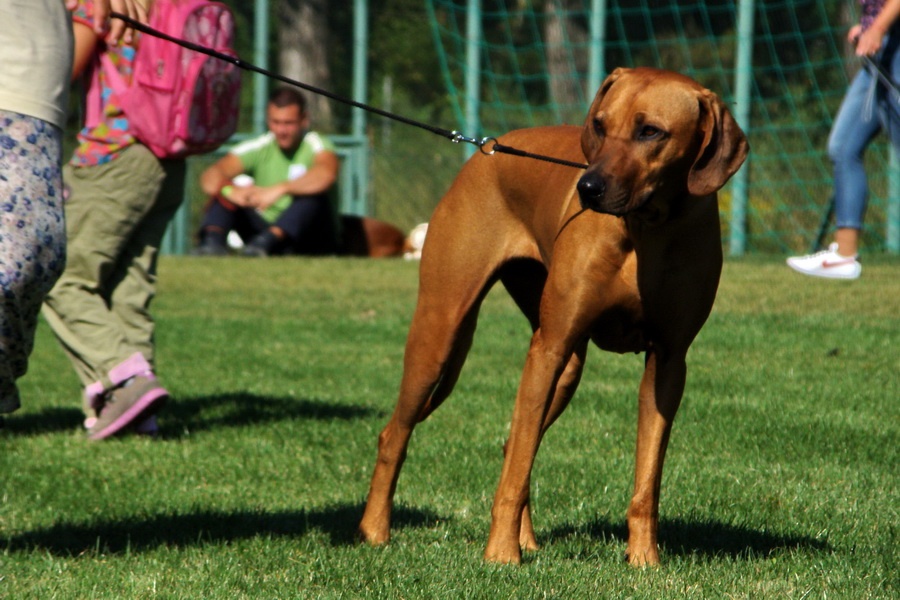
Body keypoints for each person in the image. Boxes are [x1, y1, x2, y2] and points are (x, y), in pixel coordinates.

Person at [41, 0, 187, 440]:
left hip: (114, 154)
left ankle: (124, 378)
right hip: (170, 157)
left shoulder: (98, 2)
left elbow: (54, 74)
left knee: (59, 273)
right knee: (130, 284)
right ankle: (139, 416)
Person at [0, 0, 145, 421]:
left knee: (29, 269)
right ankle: (130, 381)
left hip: (27, 80)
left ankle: (130, 382)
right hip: (112, 155)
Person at [787, 0, 900, 279]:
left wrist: (877, 27)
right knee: (843, 147)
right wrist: (865, 27)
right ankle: (845, 256)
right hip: (878, 55)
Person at [194, 87, 341, 257]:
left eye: (288, 123)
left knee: (313, 196)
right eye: (275, 122)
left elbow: (325, 175)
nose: (281, 131)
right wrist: (232, 191)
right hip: (262, 234)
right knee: (223, 191)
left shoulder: (317, 144)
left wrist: (280, 189)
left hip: (310, 237)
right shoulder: (260, 146)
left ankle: (267, 242)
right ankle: (212, 244)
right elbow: (210, 176)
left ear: (304, 120)